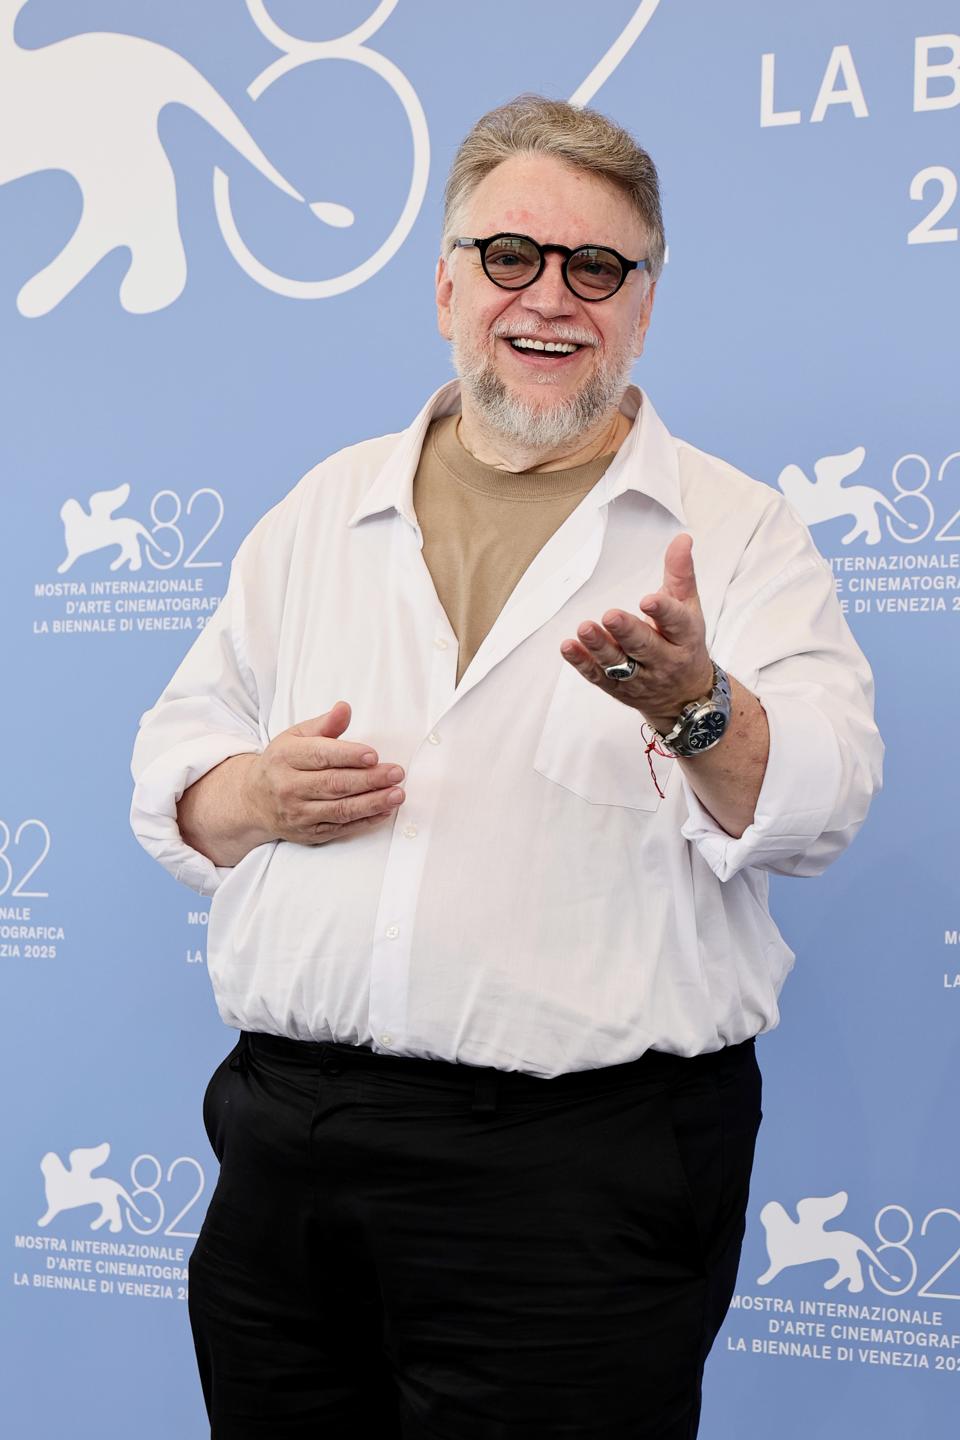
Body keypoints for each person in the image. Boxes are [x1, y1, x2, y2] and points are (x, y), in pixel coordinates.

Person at [130, 95, 882, 1440]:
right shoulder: (319, 509)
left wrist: (699, 707)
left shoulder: (739, 532)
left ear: (643, 304)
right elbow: (177, 764)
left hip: (580, 1176)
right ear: (446, 287)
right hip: (287, 1147)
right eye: (510, 256)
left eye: (596, 267)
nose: (550, 297)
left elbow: (823, 800)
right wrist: (254, 794)